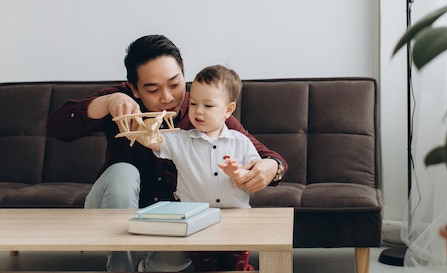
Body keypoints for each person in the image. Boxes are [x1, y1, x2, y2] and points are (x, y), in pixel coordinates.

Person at [46, 35, 287, 272]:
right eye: (153, 89)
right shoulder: (120, 101)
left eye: (175, 84)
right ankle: (122, 267)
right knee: (123, 171)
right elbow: (57, 127)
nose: (168, 97)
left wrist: (271, 168)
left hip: (172, 223)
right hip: (114, 212)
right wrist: (106, 102)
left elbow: (264, 154)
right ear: (134, 89)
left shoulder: (203, 111)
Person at [130, 64, 259, 272]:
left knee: (235, 267)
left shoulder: (241, 142)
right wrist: (139, 125)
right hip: (198, 221)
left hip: (237, 221)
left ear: (228, 110)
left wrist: (239, 173)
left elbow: (253, 172)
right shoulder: (181, 140)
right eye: (194, 103)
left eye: (208, 106)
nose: (198, 111)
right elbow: (150, 140)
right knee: (205, 267)